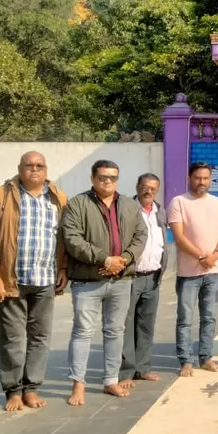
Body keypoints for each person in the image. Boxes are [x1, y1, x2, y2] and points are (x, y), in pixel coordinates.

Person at [62, 159, 148, 406]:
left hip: (121, 279)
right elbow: (72, 239)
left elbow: (141, 235)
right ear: (92, 178)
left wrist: (125, 258)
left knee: (115, 331)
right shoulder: (78, 204)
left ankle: (111, 379)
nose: (107, 181)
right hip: (88, 280)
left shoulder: (129, 205)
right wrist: (104, 259)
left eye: (112, 177)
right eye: (102, 177)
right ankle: (78, 384)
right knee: (83, 332)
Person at [0, 151, 68, 412]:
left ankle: (31, 387)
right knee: (13, 338)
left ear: (46, 170)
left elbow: (63, 238)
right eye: (29, 165)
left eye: (39, 166)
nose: (34, 170)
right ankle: (13, 390)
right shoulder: (1, 196)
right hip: (12, 278)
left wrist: (63, 268)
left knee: (40, 336)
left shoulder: (57, 197)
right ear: (19, 168)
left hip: (45, 278)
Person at [169, 162, 218, 375]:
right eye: (197, 178)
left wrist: (216, 255)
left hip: (213, 272)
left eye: (205, 178)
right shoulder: (178, 202)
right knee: (185, 318)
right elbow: (179, 236)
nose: (201, 182)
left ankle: (206, 357)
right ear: (189, 178)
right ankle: (186, 360)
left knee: (209, 317)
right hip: (188, 274)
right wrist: (202, 256)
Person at [118, 173, 167, 389]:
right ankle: (126, 371)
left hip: (153, 276)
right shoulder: (126, 208)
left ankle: (143, 367)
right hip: (131, 276)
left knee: (146, 326)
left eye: (153, 188)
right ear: (137, 186)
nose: (149, 191)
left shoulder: (159, 210)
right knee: (126, 325)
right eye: (145, 187)